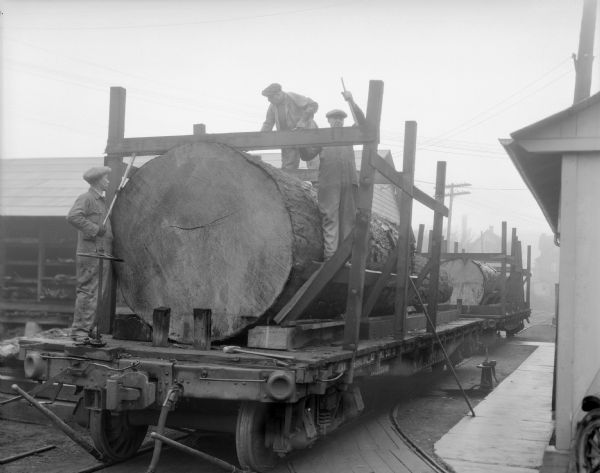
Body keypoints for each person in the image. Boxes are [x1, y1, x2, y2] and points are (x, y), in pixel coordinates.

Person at [66, 166, 113, 341]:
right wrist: (95, 229)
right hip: (89, 254)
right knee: (87, 292)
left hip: (99, 254)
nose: (108, 181)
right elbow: (73, 217)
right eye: (106, 178)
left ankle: (88, 328)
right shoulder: (86, 198)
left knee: (97, 293)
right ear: (98, 180)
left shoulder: (101, 201)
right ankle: (79, 331)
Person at [318, 91, 366, 260]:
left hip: (348, 182)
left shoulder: (349, 134)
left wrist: (351, 101)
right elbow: (307, 154)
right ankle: (330, 259)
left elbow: (362, 122)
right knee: (330, 218)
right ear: (328, 121)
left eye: (340, 118)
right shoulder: (321, 137)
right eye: (334, 118)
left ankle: (345, 259)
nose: (337, 120)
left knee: (349, 221)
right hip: (329, 184)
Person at [260, 82, 320, 170]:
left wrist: (303, 121)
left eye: (270, 97)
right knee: (288, 167)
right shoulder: (273, 106)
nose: (269, 100)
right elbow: (268, 123)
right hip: (288, 139)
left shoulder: (292, 97)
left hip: (306, 134)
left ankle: (316, 183)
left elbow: (313, 105)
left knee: (313, 162)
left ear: (279, 94)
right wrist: (259, 138)